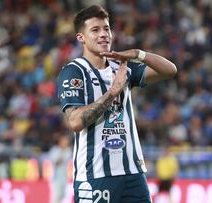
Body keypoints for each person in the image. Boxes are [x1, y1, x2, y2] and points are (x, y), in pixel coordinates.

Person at [57, 5, 177, 203]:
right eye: (95, 30)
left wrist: (137, 54)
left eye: (106, 29)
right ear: (81, 38)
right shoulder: (74, 71)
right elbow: (75, 122)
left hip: (133, 173)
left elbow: (170, 71)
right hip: (96, 176)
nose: (104, 34)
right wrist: (113, 92)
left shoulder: (122, 66)